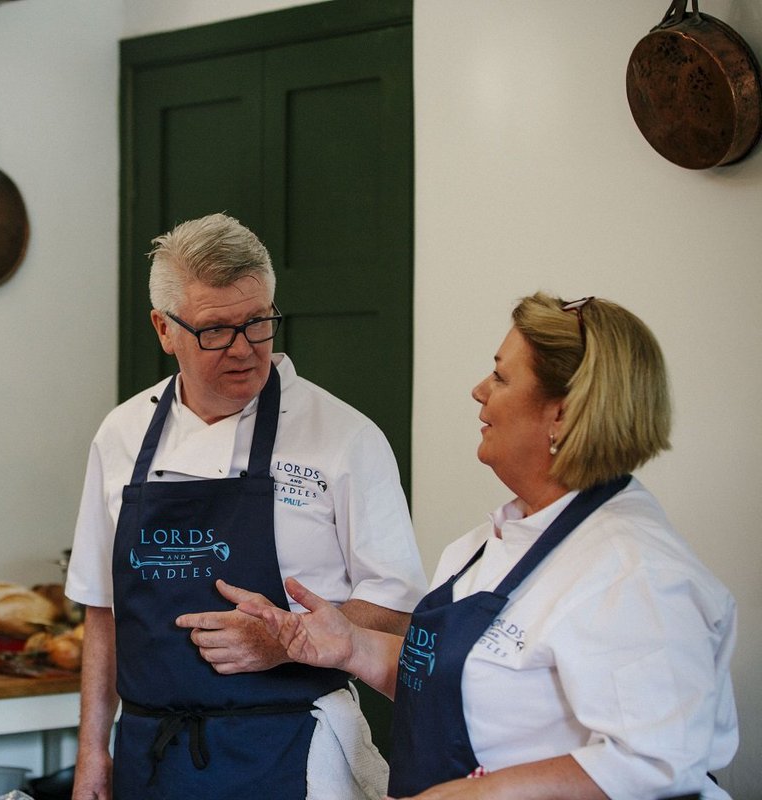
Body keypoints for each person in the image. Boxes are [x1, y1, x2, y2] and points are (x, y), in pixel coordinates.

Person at [238, 293, 739, 799]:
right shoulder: (483, 545)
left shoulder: (636, 571)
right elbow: (457, 689)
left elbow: (658, 761)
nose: (479, 391)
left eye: (501, 377)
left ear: (562, 415)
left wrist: (470, 795)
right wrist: (352, 646)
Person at [64, 212, 428, 800]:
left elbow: (395, 607)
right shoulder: (121, 435)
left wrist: (285, 639)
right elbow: (102, 612)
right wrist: (91, 756)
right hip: (150, 759)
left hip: (293, 756)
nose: (242, 349)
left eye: (258, 323)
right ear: (164, 329)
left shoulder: (345, 438)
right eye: (215, 330)